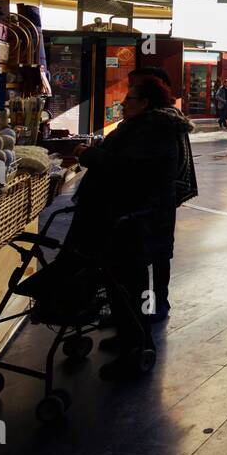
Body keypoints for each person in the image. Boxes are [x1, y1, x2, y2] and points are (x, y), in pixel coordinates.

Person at [68, 77, 189, 378]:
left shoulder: (154, 130)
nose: (123, 104)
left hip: (135, 220)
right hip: (128, 218)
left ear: (145, 102)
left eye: (129, 99)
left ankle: (137, 350)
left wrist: (87, 155)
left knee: (128, 286)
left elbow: (127, 167)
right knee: (120, 283)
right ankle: (128, 338)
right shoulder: (144, 126)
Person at [125, 66, 196, 322]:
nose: (126, 97)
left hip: (153, 199)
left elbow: (142, 163)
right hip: (159, 198)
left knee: (154, 254)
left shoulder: (160, 121)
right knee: (155, 253)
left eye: (133, 89)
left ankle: (153, 305)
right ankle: (145, 305)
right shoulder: (159, 118)